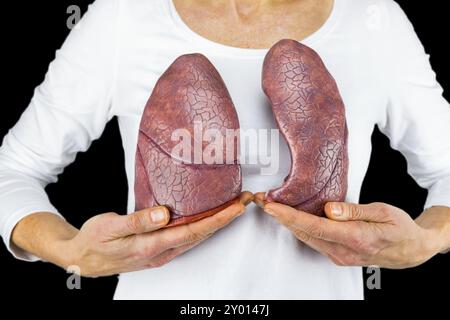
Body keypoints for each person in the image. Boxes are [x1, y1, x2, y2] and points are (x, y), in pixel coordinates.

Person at [0, 0, 449, 299]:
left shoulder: (372, 19)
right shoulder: (125, 16)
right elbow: (14, 168)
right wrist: (69, 251)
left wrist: (426, 241)